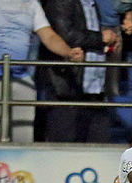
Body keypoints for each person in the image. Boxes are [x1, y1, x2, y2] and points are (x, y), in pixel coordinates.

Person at [0, 0, 83, 143]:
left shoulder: (31, 4)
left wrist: (68, 52)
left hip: (22, 79)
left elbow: (49, 36)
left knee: (23, 137)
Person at [39, 0, 112, 143]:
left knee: (98, 145)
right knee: (65, 144)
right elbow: (64, 35)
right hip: (67, 85)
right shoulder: (61, 2)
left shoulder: (91, 3)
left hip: (94, 87)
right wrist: (100, 38)